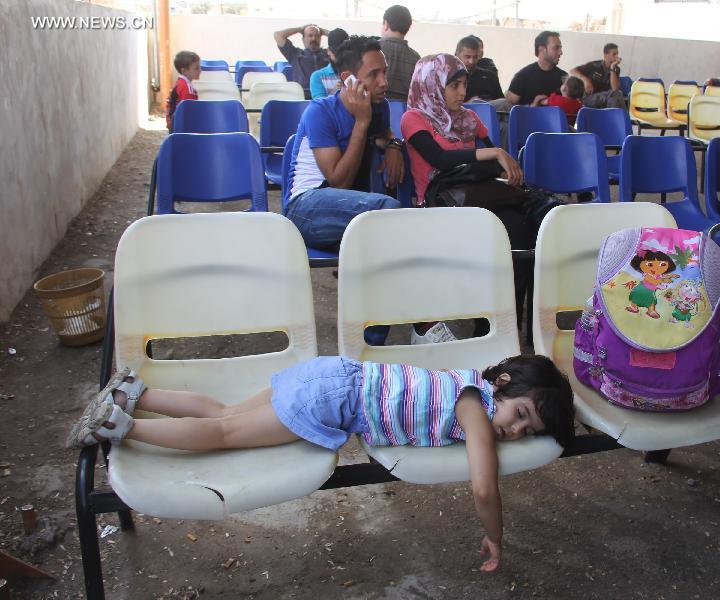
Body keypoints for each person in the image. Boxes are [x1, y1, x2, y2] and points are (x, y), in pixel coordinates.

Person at [67, 355, 577, 572]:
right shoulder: (475, 408)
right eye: (520, 415)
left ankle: (138, 393)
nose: (511, 431)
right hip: (330, 400)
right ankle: (121, 426)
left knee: (225, 412)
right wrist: (496, 535)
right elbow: (484, 488)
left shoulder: (465, 381)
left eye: (524, 431)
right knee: (224, 434)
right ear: (503, 385)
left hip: (331, 372)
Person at [402, 54, 559, 340]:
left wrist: (497, 158)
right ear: (433, 85)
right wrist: (494, 153)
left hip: (480, 199)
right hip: (441, 205)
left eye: (464, 84)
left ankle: (508, 327)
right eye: (454, 86)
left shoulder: (469, 119)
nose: (463, 92)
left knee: (525, 235)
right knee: (504, 235)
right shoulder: (414, 118)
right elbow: (438, 158)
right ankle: (491, 326)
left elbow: (495, 165)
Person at [284, 35, 403, 251]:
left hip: (347, 204)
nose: (384, 82)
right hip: (304, 207)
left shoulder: (380, 106)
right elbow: (339, 182)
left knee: (386, 228)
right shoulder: (319, 112)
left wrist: (394, 144)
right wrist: (361, 122)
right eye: (373, 74)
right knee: (387, 212)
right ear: (349, 78)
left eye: (384, 72)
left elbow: (385, 133)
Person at [505, 31, 567, 107]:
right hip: (527, 118)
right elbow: (508, 110)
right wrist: (532, 107)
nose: (560, 52)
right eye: (556, 48)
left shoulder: (564, 78)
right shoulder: (522, 76)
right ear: (541, 49)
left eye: (560, 48)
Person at [274, 23, 331, 97]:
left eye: (317, 36)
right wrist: (300, 29)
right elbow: (278, 35)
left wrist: (322, 31)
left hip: (325, 95)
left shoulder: (329, 53)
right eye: (310, 35)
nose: (313, 39)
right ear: (303, 39)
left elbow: (343, 41)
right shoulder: (295, 54)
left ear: (320, 39)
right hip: (303, 95)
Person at [379, 5, 420, 101]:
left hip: (375, 109)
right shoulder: (416, 58)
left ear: (386, 24)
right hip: (404, 112)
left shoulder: (372, 51)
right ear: (408, 28)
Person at [569, 43, 626, 110]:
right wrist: (585, 80)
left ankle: (615, 119)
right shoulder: (594, 65)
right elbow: (572, 71)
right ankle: (625, 118)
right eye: (614, 54)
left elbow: (615, 88)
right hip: (589, 98)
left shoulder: (616, 69)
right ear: (605, 55)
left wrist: (612, 67)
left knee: (613, 100)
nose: (617, 57)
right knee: (617, 94)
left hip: (607, 98)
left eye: (617, 54)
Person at [455, 35, 503, 102]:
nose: (471, 61)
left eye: (475, 57)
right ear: (457, 54)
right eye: (467, 57)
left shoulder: (490, 77)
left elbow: (502, 105)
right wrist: (468, 106)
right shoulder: (447, 77)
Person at [309, 28, 349, 99]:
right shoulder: (318, 76)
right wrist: (338, 93)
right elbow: (320, 107)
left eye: (344, 52)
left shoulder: (357, 72)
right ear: (328, 51)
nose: (341, 56)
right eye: (337, 52)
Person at [165, 50, 200, 133]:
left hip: (176, 122)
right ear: (183, 70)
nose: (200, 71)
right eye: (196, 68)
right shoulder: (185, 87)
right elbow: (189, 109)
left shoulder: (181, 83)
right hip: (181, 124)